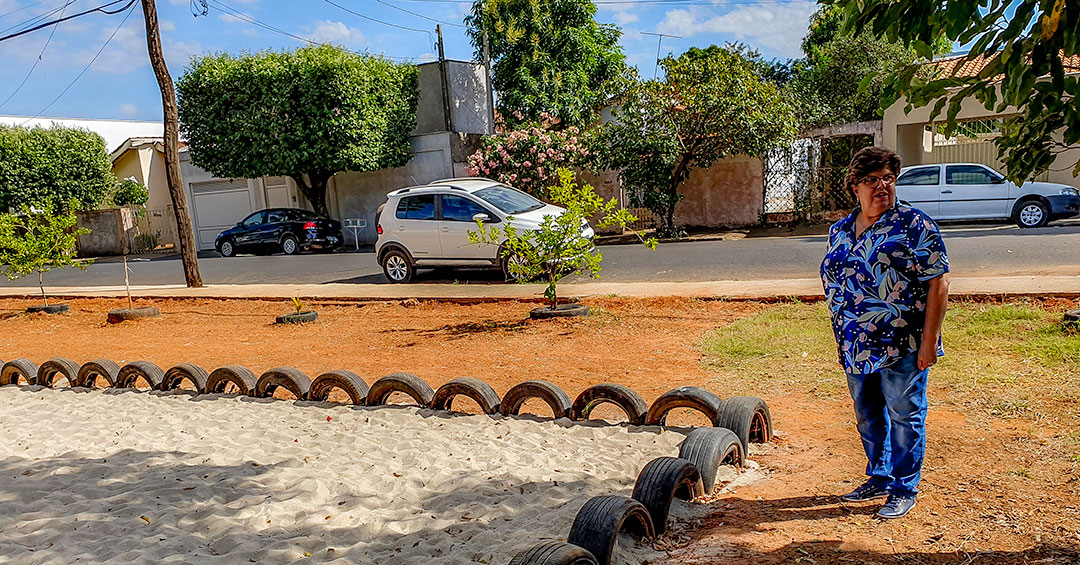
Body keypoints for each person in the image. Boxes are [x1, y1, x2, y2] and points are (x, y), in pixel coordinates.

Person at [820, 146, 950, 519]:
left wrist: (929, 343)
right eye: (872, 179)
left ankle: (903, 487)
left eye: (888, 178)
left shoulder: (914, 224)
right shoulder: (840, 230)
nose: (882, 186)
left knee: (905, 415)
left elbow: (938, 284)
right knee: (867, 414)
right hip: (856, 344)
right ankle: (879, 474)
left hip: (903, 344)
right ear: (854, 187)